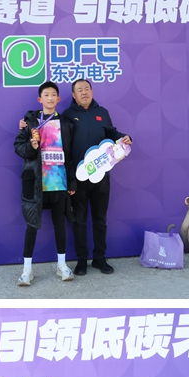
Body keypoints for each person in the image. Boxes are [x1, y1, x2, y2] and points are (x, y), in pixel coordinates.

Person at [62, 78, 132, 275]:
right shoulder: (67, 116)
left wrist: (124, 138)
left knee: (100, 220)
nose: (84, 92)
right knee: (79, 221)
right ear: (74, 95)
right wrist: (70, 179)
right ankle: (81, 261)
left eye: (87, 89)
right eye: (79, 90)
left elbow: (112, 133)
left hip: (101, 178)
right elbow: (64, 148)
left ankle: (99, 259)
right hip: (78, 180)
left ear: (92, 92)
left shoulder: (102, 113)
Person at [13, 82, 76, 287]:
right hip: (35, 183)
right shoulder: (30, 121)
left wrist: (72, 181)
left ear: (58, 99)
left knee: (60, 225)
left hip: (58, 182)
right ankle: (27, 270)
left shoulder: (66, 123)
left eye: (53, 95)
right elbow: (18, 147)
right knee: (32, 226)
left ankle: (61, 265)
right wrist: (32, 147)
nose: (50, 98)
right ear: (40, 99)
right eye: (46, 95)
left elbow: (71, 155)